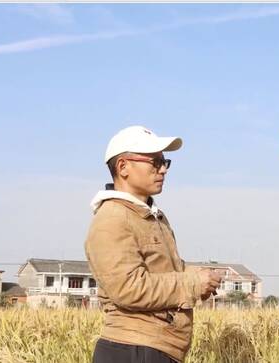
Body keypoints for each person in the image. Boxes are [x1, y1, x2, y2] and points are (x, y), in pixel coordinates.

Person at [85, 125, 221, 363]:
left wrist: (199, 276)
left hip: (153, 348)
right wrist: (191, 283)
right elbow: (128, 288)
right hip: (133, 349)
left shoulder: (150, 215)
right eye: (154, 162)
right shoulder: (112, 219)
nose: (162, 170)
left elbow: (166, 269)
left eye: (164, 162)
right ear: (123, 167)